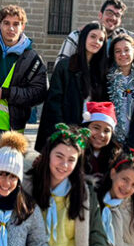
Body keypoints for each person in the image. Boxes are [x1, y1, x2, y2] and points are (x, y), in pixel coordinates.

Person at [0, 5, 48, 184]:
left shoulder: (32, 58)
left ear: (23, 27)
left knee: (7, 178)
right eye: (6, 23)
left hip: (11, 128)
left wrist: (7, 93)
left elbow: (39, 93)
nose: (11, 28)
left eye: (16, 24)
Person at [34, 22, 107, 151]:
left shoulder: (102, 72)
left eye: (101, 39)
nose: (97, 42)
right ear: (84, 38)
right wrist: (64, 132)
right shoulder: (65, 66)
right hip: (66, 133)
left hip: (90, 135)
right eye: (93, 37)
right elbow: (53, 103)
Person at [56, 0, 128, 61]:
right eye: (109, 13)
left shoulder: (121, 39)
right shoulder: (77, 36)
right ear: (100, 15)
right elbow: (60, 66)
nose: (113, 18)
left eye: (117, 15)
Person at [82, 102, 122, 183]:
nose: (101, 134)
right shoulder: (77, 151)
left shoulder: (116, 157)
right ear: (86, 128)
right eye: (96, 128)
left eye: (106, 131)